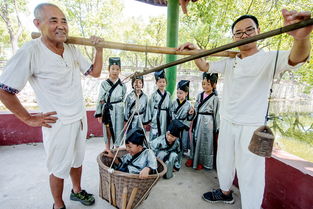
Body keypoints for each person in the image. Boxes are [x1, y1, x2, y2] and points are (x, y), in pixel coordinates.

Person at [177, 9, 312, 209]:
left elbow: (296, 58)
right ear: (233, 37)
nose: (244, 35)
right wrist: (196, 50)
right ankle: (224, 192)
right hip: (228, 120)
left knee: (250, 174)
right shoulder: (230, 60)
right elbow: (205, 66)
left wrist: (301, 38)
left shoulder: (270, 59)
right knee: (224, 162)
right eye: (238, 33)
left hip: (251, 127)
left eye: (249, 30)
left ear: (258, 32)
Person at [0, 3, 104, 209]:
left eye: (64, 20)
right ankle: (58, 204)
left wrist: (98, 50)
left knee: (77, 160)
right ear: (38, 24)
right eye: (53, 20)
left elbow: (94, 72)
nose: (61, 26)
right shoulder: (31, 51)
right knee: (58, 167)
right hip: (57, 123)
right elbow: (4, 90)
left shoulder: (71, 48)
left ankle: (77, 190)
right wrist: (28, 118)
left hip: (79, 118)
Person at [95, 57, 126, 151]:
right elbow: (100, 99)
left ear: (120, 70)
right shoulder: (104, 84)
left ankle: (117, 149)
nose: (115, 71)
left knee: (118, 130)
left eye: (117, 69)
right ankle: (107, 148)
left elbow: (123, 97)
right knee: (107, 130)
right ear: (109, 69)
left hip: (119, 110)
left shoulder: (122, 85)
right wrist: (99, 114)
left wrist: (119, 106)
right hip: (108, 109)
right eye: (113, 69)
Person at [171, 80, 194, 162]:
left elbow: (190, 116)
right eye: (177, 93)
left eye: (181, 93)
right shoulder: (174, 102)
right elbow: (172, 112)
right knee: (175, 137)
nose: (178, 95)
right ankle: (175, 149)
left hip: (184, 124)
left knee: (183, 138)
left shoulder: (188, 104)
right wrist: (175, 122)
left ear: (186, 93)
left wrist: (191, 113)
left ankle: (182, 151)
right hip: (176, 123)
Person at [149, 70, 172, 141]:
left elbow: (170, 107)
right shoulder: (154, 95)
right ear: (156, 83)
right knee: (155, 131)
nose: (162, 84)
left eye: (163, 82)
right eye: (159, 82)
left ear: (166, 83)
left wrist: (170, 117)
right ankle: (153, 147)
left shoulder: (168, 94)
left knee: (164, 131)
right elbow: (150, 108)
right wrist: (151, 119)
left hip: (165, 116)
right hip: (156, 115)